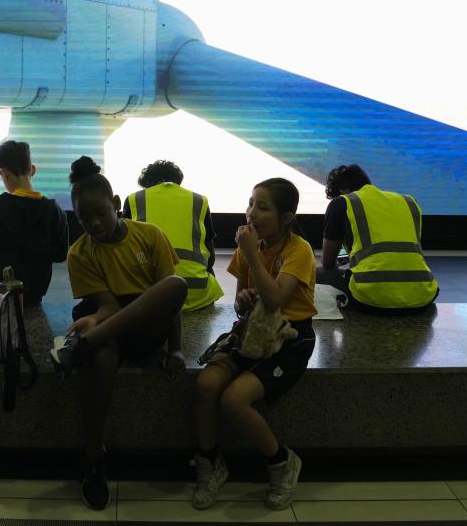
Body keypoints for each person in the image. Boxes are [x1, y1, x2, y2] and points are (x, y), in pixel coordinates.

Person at [50, 156, 188, 511]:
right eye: (84, 219)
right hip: (108, 321)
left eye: (100, 214)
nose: (93, 224)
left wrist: (176, 349)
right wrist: (96, 322)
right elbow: (108, 307)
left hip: (146, 324)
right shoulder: (80, 253)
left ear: (116, 205)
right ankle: (93, 457)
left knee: (174, 285)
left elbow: (170, 302)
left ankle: (81, 347)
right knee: (103, 359)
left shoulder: (150, 235)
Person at [192, 178, 316, 511]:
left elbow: (276, 298)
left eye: (262, 207)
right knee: (206, 384)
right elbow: (239, 305)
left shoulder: (298, 250)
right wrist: (244, 300)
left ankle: (281, 462)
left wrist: (250, 253)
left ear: (286, 217)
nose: (252, 213)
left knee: (234, 400)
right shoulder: (250, 248)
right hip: (251, 331)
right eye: (250, 204)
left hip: (289, 338)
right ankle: (209, 462)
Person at [317, 164, 438, 314]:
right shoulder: (409, 202)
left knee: (319, 273)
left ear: (343, 192)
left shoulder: (341, 203)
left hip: (370, 298)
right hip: (423, 296)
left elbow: (328, 263)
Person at [0, 140, 69, 308]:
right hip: (34, 294)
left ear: (4, 174)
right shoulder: (54, 211)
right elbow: (61, 254)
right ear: (32, 169)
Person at [122, 160, 223, 312]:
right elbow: (211, 258)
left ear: (149, 183)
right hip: (196, 294)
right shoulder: (199, 200)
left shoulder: (134, 199)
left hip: (147, 297)